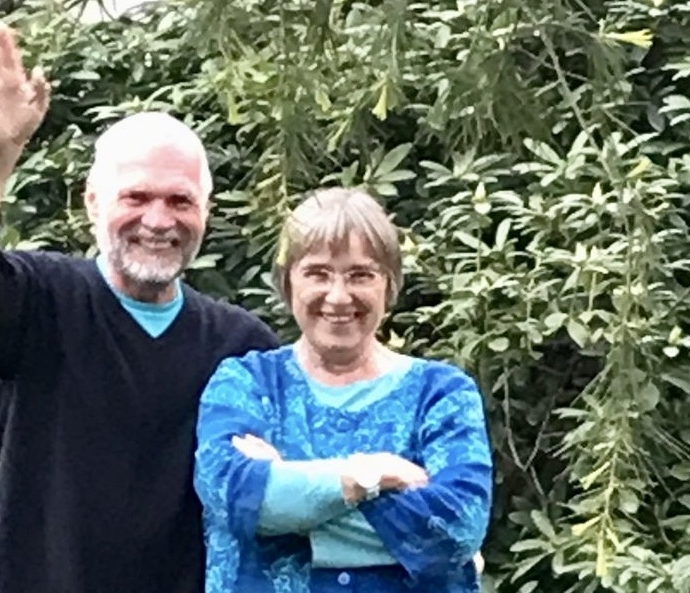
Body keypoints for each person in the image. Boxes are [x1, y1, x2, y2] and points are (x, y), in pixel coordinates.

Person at [0, 23, 279, 593]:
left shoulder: (241, 348)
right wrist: (0, 151)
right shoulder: (42, 303)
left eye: (180, 200)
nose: (158, 220)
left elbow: (280, 497)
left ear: (206, 211)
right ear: (92, 203)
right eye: (136, 196)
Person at [193, 187, 493, 592]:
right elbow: (231, 494)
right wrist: (372, 476)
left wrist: (289, 493)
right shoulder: (246, 383)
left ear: (389, 285)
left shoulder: (442, 394)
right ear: (287, 282)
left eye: (360, 275)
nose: (338, 296)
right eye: (317, 273)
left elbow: (457, 528)